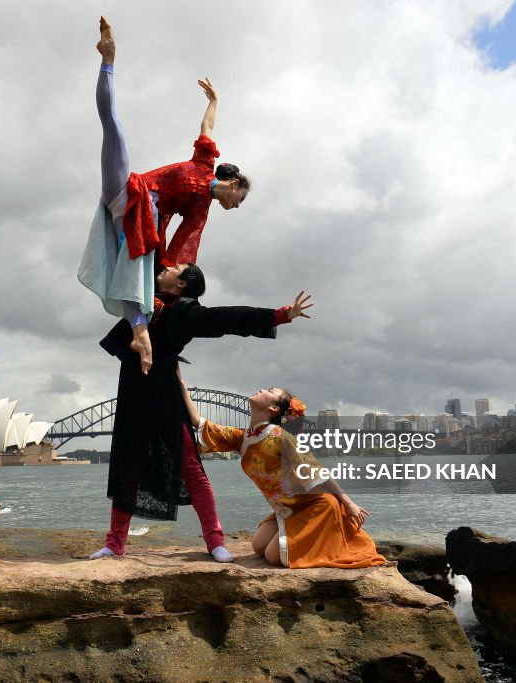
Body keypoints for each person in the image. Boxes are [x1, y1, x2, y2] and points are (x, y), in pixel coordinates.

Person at [89, 264, 312, 562]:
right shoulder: (141, 303)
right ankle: (114, 544)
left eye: (176, 268)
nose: (167, 266)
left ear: (181, 284)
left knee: (192, 470)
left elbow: (229, 317)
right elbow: (139, 254)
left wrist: (280, 315)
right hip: (133, 395)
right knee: (126, 469)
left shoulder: (185, 312)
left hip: (165, 396)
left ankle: (215, 542)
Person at [78, 16, 252, 376]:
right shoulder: (204, 163)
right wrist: (215, 100)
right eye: (241, 200)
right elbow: (207, 127)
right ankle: (107, 59)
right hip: (132, 191)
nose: (236, 208)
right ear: (234, 185)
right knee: (113, 128)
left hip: (144, 219)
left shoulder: (201, 210)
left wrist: (162, 288)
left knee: (138, 270)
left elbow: (179, 252)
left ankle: (140, 332)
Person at [181, 383, 386, 569]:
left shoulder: (281, 437)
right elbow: (198, 422)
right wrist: (179, 380)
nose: (262, 389)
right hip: (287, 509)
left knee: (272, 556)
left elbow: (318, 472)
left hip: (316, 507)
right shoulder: (242, 438)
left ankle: (334, 538)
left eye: (270, 391)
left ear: (274, 409)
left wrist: (348, 503)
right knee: (258, 546)